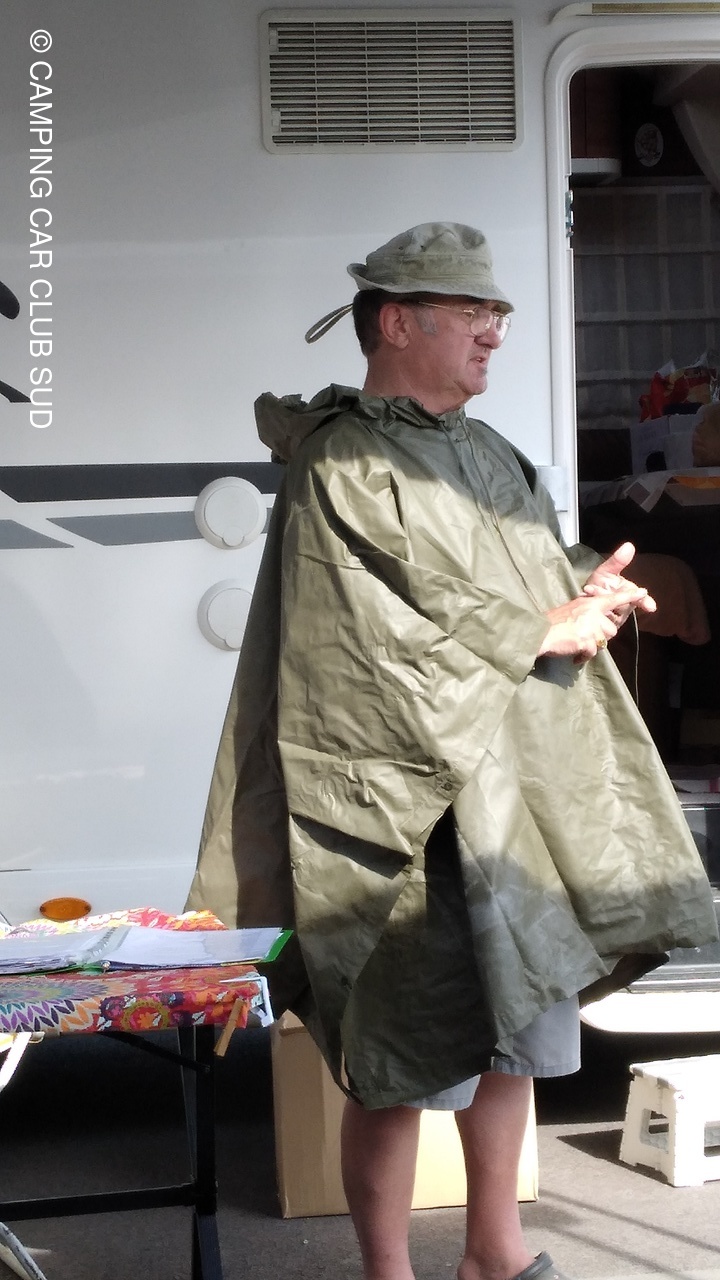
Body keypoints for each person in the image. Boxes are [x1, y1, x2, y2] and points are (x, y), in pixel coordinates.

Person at [187, 223, 717, 1280]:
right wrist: (538, 628)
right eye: (472, 312)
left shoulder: (487, 452)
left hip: (516, 792)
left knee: (517, 1020)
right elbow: (362, 637)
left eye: (497, 314)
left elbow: (522, 571)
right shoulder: (343, 460)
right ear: (397, 322)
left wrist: (586, 587)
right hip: (403, 809)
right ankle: (390, 1272)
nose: (493, 333)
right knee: (398, 1055)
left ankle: (494, 1253)